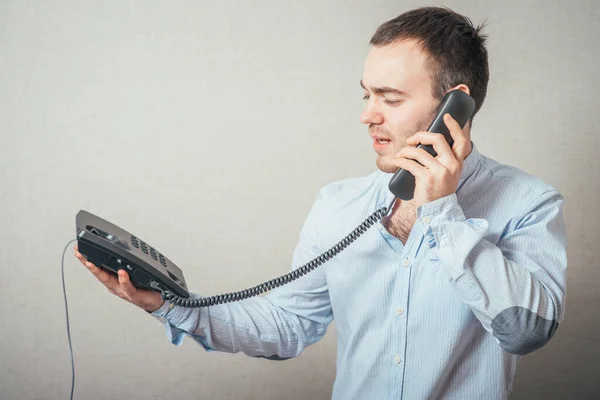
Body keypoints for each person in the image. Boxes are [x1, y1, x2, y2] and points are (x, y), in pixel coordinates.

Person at [74, 6, 567, 399]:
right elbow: (287, 325)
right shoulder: (339, 204)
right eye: (366, 94)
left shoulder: (528, 203)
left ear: (454, 106)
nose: (367, 115)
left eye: (390, 98)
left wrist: (441, 211)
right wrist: (169, 305)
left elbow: (525, 331)